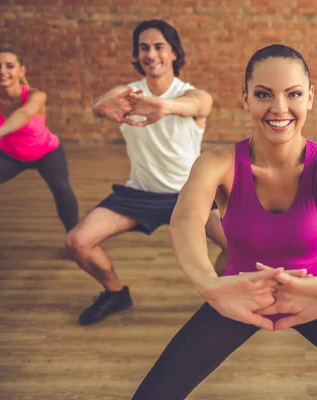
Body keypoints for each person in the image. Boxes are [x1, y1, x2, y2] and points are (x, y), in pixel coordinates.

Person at [131, 44, 317, 400]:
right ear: (245, 99)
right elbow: (185, 221)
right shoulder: (217, 163)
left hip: (315, 296)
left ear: (311, 98)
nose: (279, 108)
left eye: (294, 94)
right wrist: (208, 284)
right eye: (263, 95)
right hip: (240, 295)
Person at [65, 19, 228, 325]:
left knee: (239, 247)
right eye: (144, 48)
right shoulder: (128, 94)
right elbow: (101, 104)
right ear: (137, 54)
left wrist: (163, 107)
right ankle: (115, 293)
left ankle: (218, 297)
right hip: (139, 193)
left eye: (158, 46)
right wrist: (101, 107)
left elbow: (200, 103)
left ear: (174, 53)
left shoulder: (190, 94)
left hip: (190, 195)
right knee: (77, 241)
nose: (151, 54)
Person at [0, 46, 78, 262]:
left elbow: (23, 114)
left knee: (62, 189)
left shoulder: (36, 96)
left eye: (10, 66)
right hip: (10, 155)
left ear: (21, 70)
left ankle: (77, 242)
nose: (3, 71)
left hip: (46, 152)